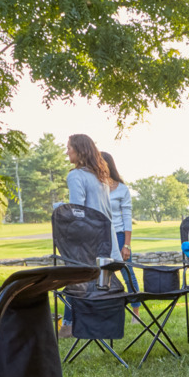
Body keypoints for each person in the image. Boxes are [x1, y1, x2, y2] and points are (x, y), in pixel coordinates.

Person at [60, 134, 119, 338]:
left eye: (69, 148)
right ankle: (100, 324)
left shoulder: (76, 176)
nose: (67, 151)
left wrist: (59, 208)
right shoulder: (100, 176)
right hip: (107, 240)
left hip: (88, 241)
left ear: (79, 150)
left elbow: (78, 212)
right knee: (102, 285)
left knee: (76, 281)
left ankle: (68, 326)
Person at [102, 151, 142, 322]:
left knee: (128, 272)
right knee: (103, 274)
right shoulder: (95, 186)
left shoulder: (122, 189)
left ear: (107, 164)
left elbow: (127, 218)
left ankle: (136, 312)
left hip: (118, 235)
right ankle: (108, 310)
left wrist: (126, 245)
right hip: (101, 236)